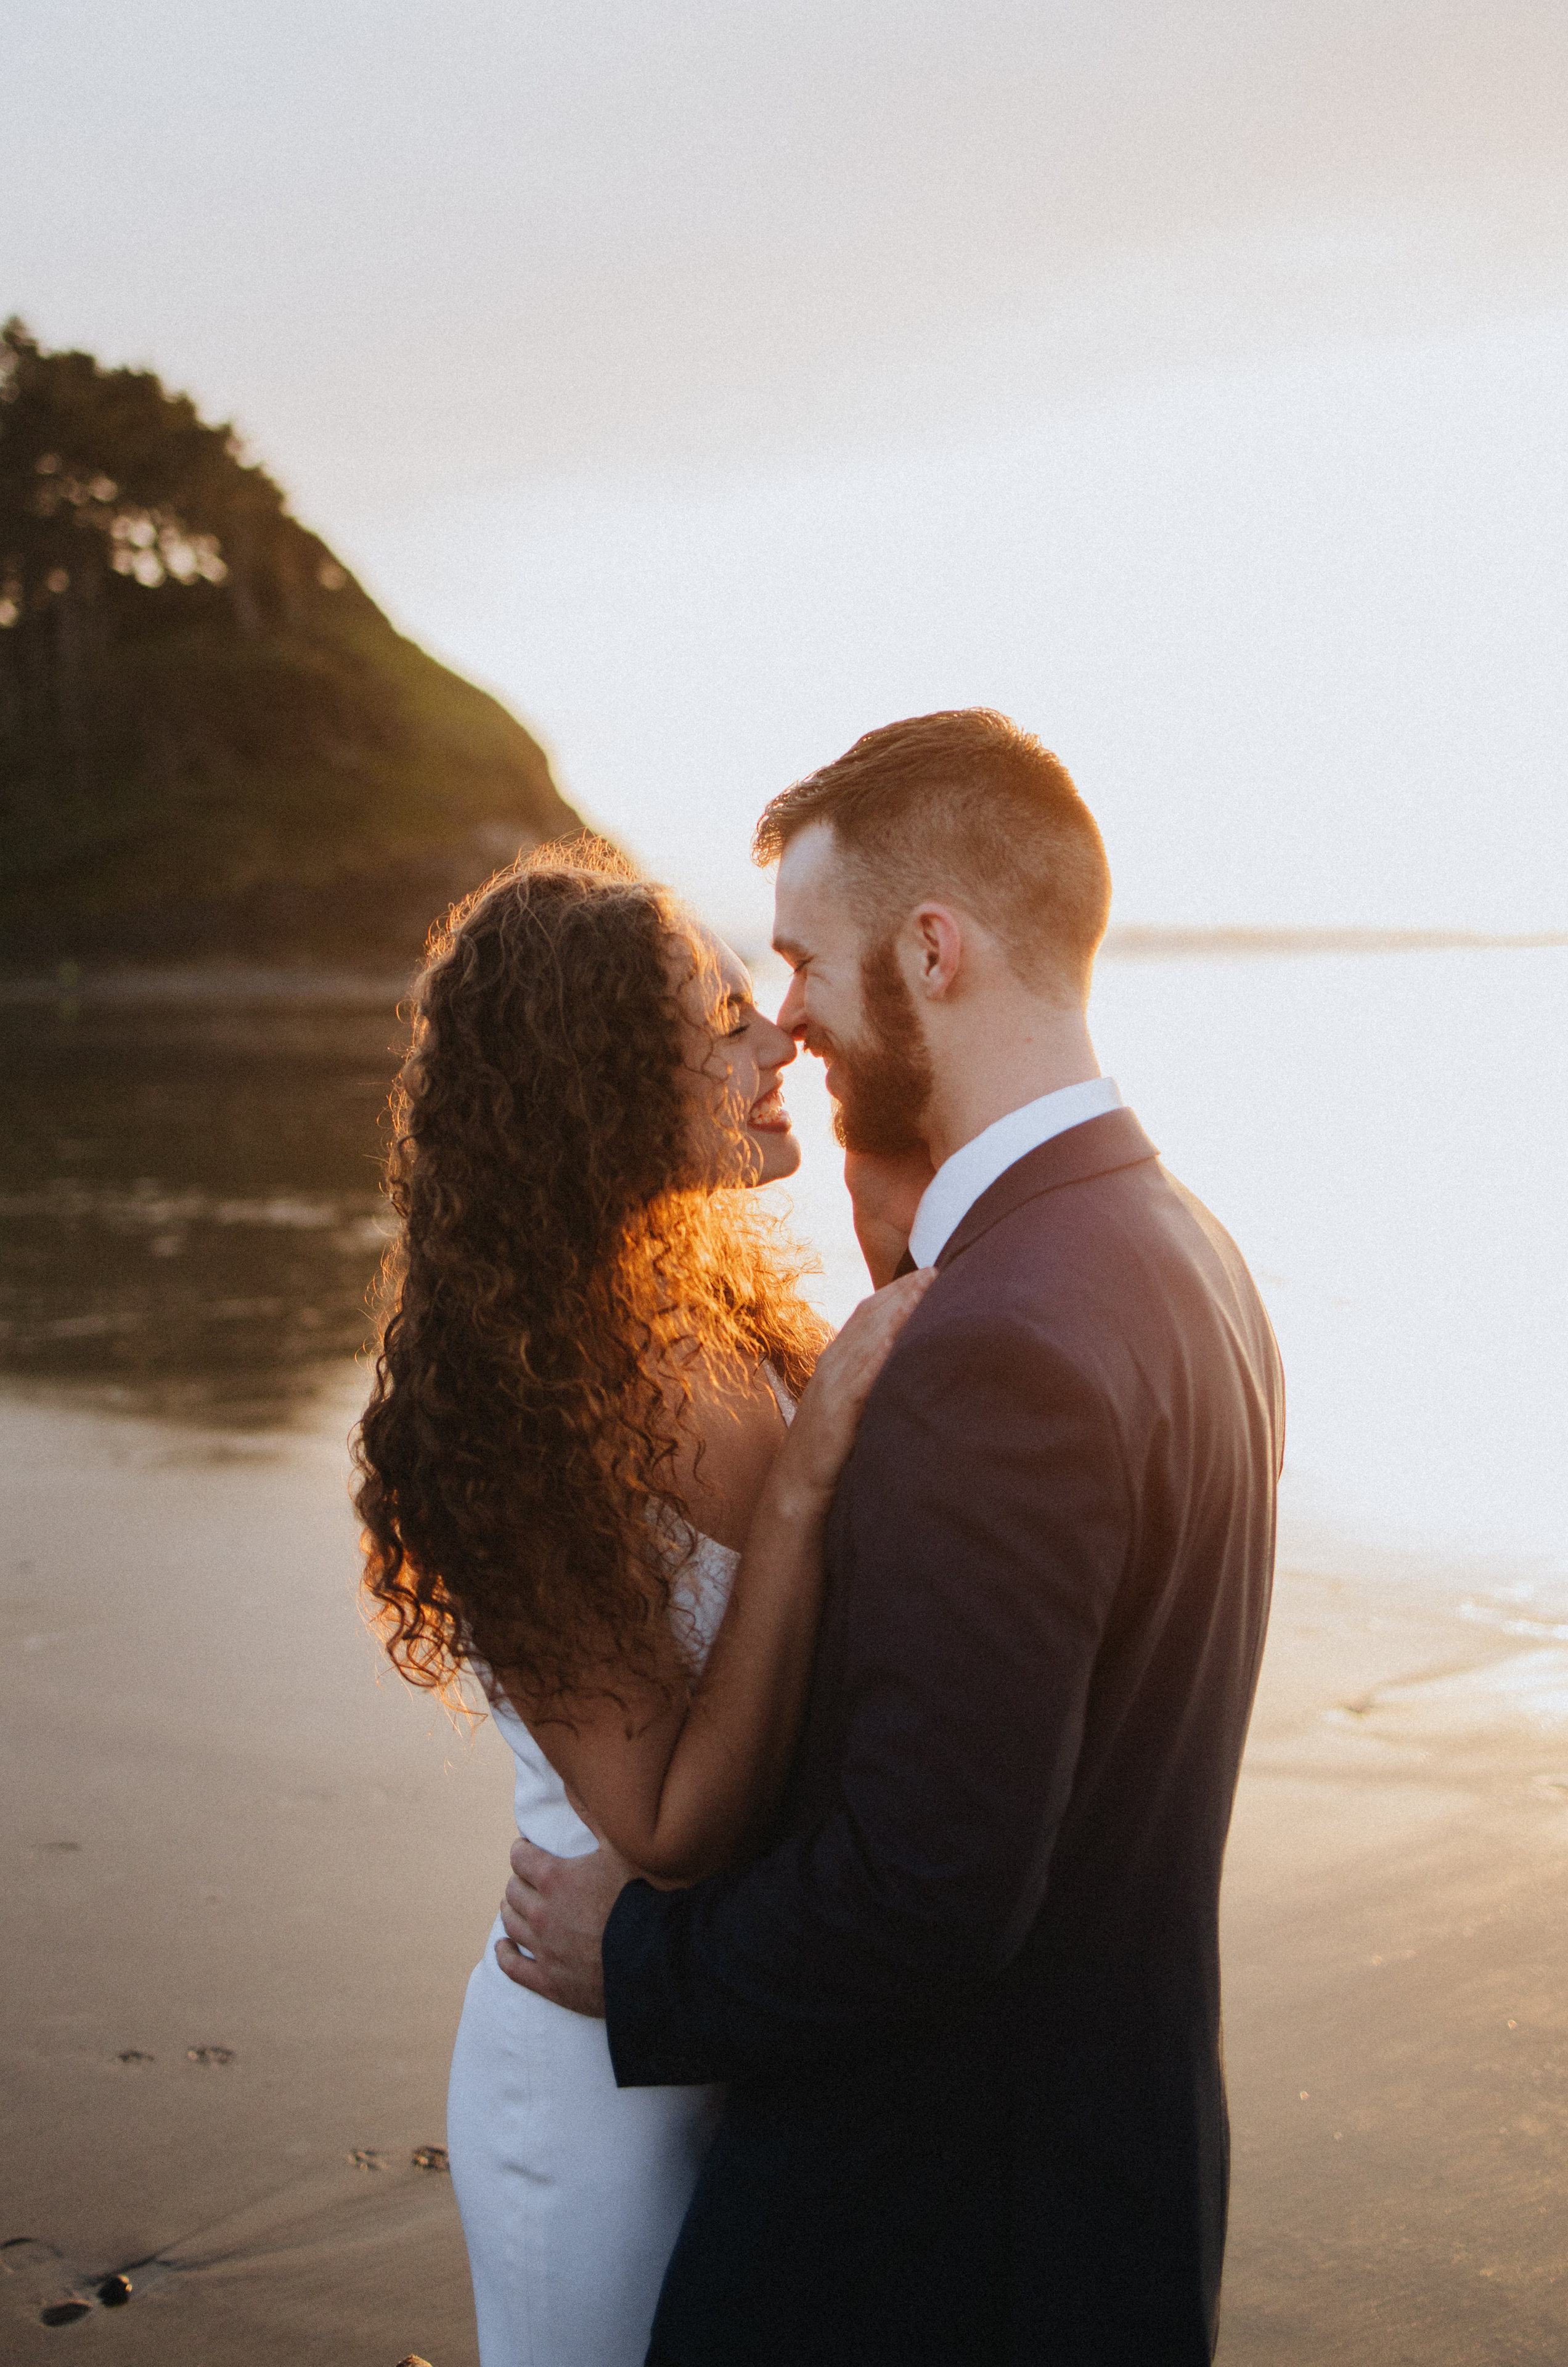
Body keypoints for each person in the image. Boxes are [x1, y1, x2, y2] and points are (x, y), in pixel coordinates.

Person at [496, 711, 1286, 2365]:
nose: (786, 1020)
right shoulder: (1176, 1244)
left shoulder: (998, 1339)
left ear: (933, 954)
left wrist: (638, 1964)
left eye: (803, 962)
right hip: (1110, 2193)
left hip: (926, 2247)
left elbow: (928, 1889)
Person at [353, 843, 933, 2367]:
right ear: (595, 1084)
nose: (778, 1041)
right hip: (591, 2076)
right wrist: (805, 1485)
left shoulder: (729, 1308)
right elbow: (668, 1826)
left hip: (749, 2013)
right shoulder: (501, 1410)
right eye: (723, 1017)